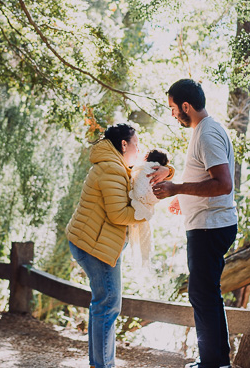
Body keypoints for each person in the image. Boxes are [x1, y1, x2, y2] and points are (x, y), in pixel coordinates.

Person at [66, 123, 171, 368]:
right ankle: (103, 365)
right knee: (109, 303)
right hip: (94, 246)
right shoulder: (113, 169)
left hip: (92, 241)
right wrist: (145, 214)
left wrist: (167, 170)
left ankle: (98, 364)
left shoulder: (114, 163)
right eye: (136, 144)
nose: (139, 149)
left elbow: (146, 170)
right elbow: (118, 215)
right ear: (124, 144)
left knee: (102, 302)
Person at [151, 79, 239, 368]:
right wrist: (184, 199)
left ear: (186, 106)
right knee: (204, 292)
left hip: (210, 227)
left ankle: (215, 363)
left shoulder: (207, 134)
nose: (173, 114)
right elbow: (206, 180)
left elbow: (222, 184)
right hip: (206, 223)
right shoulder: (204, 130)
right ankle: (215, 361)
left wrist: (177, 189)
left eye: (173, 108)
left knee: (203, 293)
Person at [127, 148, 170, 266]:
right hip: (146, 205)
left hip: (136, 205)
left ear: (147, 157)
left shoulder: (143, 168)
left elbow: (139, 186)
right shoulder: (160, 172)